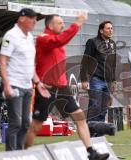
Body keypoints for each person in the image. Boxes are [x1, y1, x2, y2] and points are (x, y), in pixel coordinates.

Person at [24, 13, 110, 160]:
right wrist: (77, 23)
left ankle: (91, 152)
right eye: (60, 23)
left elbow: (60, 41)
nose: (63, 25)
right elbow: (60, 40)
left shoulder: (58, 42)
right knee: (36, 126)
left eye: (63, 23)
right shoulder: (44, 39)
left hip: (63, 88)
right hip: (47, 89)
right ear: (50, 25)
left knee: (80, 118)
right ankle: (23, 153)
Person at [0, 8, 50, 151]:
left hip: (27, 85)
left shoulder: (29, 37)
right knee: (16, 122)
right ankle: (11, 155)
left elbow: (29, 64)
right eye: (32, 19)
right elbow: (2, 61)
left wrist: (38, 83)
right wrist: (7, 85)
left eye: (35, 19)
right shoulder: (11, 36)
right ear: (22, 19)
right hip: (14, 84)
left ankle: (20, 153)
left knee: (26, 123)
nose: (35, 22)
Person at [80, 21, 116, 125]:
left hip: (108, 81)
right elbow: (85, 61)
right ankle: (91, 133)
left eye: (112, 28)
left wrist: (113, 80)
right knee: (95, 106)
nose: (111, 30)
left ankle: (99, 134)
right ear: (101, 30)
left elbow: (113, 64)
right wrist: (84, 79)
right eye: (108, 28)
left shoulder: (112, 44)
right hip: (96, 79)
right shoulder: (92, 42)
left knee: (104, 108)